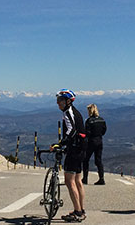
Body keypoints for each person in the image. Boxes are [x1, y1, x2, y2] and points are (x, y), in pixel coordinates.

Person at [53, 89, 88, 222]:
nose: (58, 103)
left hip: (74, 150)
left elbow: (71, 131)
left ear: (68, 101)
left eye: (60, 101)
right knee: (78, 181)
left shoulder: (68, 113)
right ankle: (81, 209)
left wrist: (60, 144)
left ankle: (78, 212)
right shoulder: (75, 112)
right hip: (81, 149)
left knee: (69, 181)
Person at [83, 103, 107, 185]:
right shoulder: (102, 120)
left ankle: (85, 178)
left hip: (91, 141)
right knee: (98, 160)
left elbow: (86, 132)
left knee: (86, 159)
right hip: (99, 141)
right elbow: (104, 131)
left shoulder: (89, 121)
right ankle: (101, 178)